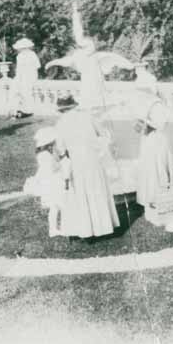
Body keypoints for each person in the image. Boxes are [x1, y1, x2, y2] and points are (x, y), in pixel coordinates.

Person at [44, 2, 136, 110]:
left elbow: (114, 58)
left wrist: (130, 65)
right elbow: (67, 58)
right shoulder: (80, 55)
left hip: (95, 77)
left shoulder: (94, 55)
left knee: (96, 94)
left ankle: (96, 104)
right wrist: (52, 63)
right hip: (88, 79)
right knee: (89, 94)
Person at [54, 93, 120, 239]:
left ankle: (86, 230)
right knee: (96, 191)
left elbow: (61, 148)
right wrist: (98, 148)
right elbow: (104, 135)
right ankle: (103, 227)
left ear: (61, 109)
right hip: (92, 159)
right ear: (73, 105)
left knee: (82, 194)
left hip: (77, 162)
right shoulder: (88, 117)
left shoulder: (61, 124)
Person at [135, 96, 173, 232]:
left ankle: (154, 206)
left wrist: (145, 122)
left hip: (149, 140)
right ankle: (158, 204)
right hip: (154, 140)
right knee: (156, 170)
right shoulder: (155, 104)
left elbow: (143, 125)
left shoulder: (146, 102)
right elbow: (161, 124)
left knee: (154, 171)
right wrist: (148, 122)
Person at [23, 127, 72, 237]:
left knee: (56, 206)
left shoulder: (49, 153)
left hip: (53, 181)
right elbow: (51, 168)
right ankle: (60, 228)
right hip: (52, 182)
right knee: (60, 205)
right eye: (53, 142)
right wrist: (62, 163)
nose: (54, 143)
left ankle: (55, 229)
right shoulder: (44, 156)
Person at [12, 38, 41, 118]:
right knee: (20, 92)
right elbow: (19, 69)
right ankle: (21, 110)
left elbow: (37, 66)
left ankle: (27, 110)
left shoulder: (31, 54)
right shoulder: (20, 56)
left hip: (30, 75)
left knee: (26, 92)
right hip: (23, 75)